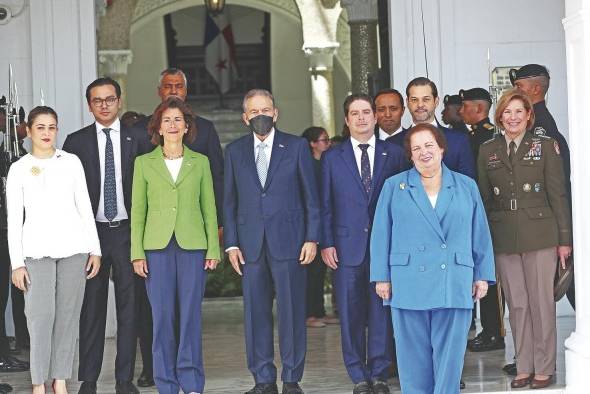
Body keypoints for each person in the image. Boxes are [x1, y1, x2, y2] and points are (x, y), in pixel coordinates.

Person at [370, 123, 495, 394]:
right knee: (412, 358)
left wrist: (482, 275)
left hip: (453, 279)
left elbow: (480, 233)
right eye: (416, 148)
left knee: (450, 358)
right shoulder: (395, 186)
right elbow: (381, 233)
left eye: (429, 145)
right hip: (408, 280)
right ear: (410, 156)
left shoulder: (466, 186)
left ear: (441, 148)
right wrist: (381, 276)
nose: (423, 152)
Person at [132, 68, 224, 387]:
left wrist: (213, 247)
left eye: (178, 120)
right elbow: (138, 213)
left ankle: (192, 381)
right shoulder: (144, 164)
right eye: (166, 120)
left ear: (187, 127)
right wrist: (136, 254)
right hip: (155, 249)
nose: (172, 125)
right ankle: (166, 384)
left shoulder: (200, 162)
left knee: (189, 319)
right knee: (162, 321)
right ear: (158, 127)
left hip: (192, 246)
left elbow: (208, 208)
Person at [224, 89, 320, 394]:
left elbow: (311, 198)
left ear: (275, 113)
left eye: (265, 110)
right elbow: (228, 201)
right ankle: (263, 378)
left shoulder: (296, 146)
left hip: (290, 242)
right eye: (254, 112)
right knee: (256, 313)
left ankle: (291, 378)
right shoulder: (235, 151)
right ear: (244, 118)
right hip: (250, 245)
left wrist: (312, 237)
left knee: (292, 311)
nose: (260, 116)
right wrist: (231, 244)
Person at [477, 89, 572, 389]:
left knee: (541, 303)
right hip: (504, 235)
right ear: (499, 117)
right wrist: (483, 240)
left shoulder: (545, 146)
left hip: (541, 234)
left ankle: (544, 367)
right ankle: (524, 365)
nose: (513, 117)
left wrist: (565, 240)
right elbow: (483, 198)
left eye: (519, 111)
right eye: (507, 112)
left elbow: (558, 195)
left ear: (529, 116)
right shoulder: (487, 150)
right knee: (517, 305)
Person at [63, 77, 151, 394]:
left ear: (119, 100)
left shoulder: (139, 138)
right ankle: (88, 379)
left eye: (109, 99)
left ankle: (125, 379)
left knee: (130, 308)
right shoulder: (75, 142)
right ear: (90, 105)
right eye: (97, 100)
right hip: (92, 235)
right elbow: (68, 195)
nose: (104, 105)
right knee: (92, 308)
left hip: (128, 233)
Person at [6, 106, 102, 394]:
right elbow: (14, 220)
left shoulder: (71, 162)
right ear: (29, 131)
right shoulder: (19, 168)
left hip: (74, 250)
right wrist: (16, 264)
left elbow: (85, 207)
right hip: (35, 254)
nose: (47, 133)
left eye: (52, 127)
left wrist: (94, 249)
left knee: (68, 316)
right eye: (41, 127)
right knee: (39, 318)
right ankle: (38, 382)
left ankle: (60, 379)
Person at [321, 94, 407, 394]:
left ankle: (380, 373)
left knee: (381, 311)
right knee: (350, 313)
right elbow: (326, 204)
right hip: (346, 249)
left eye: (366, 112)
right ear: (346, 120)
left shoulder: (393, 154)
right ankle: (358, 374)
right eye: (354, 114)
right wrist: (327, 243)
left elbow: (402, 202)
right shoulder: (332, 157)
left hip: (384, 248)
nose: (361, 118)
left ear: (374, 117)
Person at [510, 63, 575, 308]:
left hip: (544, 222)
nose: (514, 91)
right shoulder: (534, 121)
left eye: (519, 86)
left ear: (536, 88)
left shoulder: (541, 126)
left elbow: (551, 183)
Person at [458, 87, 505, 353]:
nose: (462, 111)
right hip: (471, 212)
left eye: (465, 106)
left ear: (478, 108)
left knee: (490, 276)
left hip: (486, 213)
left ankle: (494, 331)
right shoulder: (471, 135)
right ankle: (483, 329)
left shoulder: (488, 136)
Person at [387, 78, 476, 179]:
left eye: (426, 99)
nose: (420, 105)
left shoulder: (459, 141)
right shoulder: (392, 144)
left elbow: (467, 186)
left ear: (436, 101)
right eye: (414, 100)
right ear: (407, 102)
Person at [301, 126, 337, 329]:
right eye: (324, 140)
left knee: (321, 270)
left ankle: (320, 311)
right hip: (311, 225)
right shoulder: (309, 166)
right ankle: (309, 314)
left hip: (325, 223)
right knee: (311, 272)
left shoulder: (325, 164)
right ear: (312, 144)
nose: (328, 143)